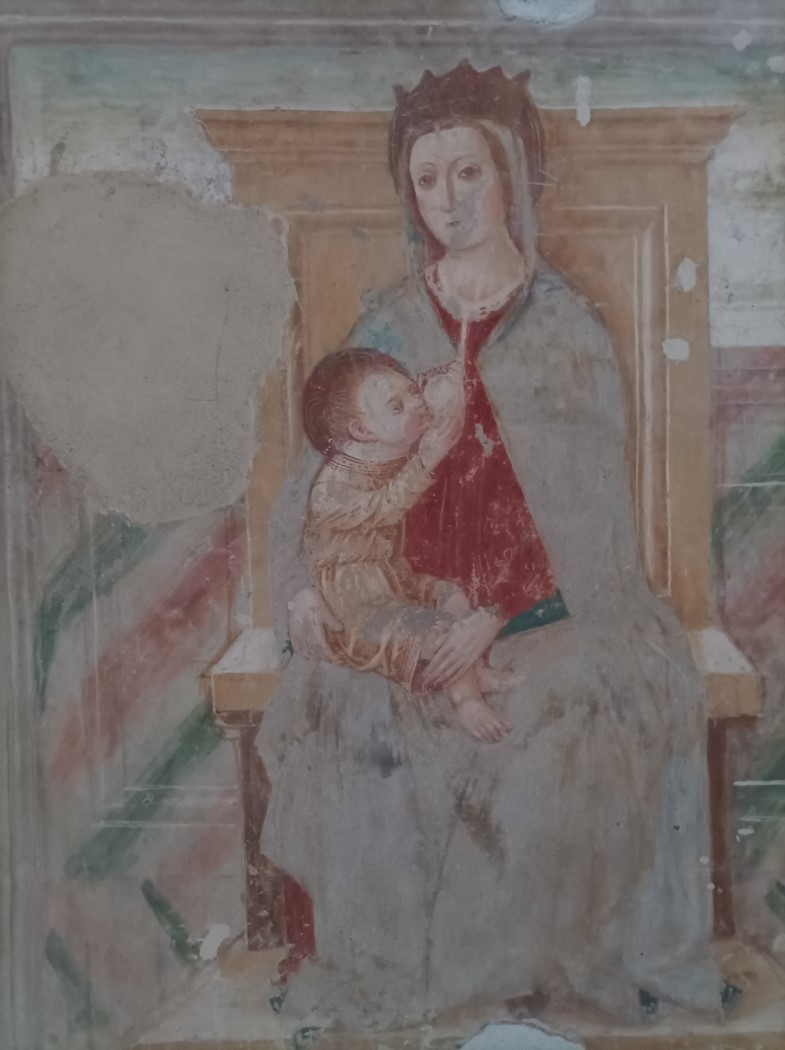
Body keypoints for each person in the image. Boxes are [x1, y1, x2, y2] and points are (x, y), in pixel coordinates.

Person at [258, 61, 724, 1029]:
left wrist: (493, 615)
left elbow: (592, 522)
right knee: (353, 702)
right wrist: (302, 588)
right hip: (404, 600)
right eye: (426, 179)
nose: (448, 200)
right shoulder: (389, 322)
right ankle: (405, 978)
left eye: (467, 172)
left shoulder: (564, 329)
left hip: (554, 608)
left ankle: (524, 971)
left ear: (510, 176)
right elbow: (317, 485)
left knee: (568, 707)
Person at [301, 346, 513, 742]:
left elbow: (441, 385)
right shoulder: (331, 487)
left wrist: (449, 379)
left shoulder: (389, 445)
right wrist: (426, 460)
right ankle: (466, 699)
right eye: (397, 407)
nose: (417, 404)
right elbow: (385, 507)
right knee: (435, 628)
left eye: (412, 391)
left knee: (455, 598)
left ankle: (477, 672)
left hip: (399, 581)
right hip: (360, 604)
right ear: (362, 431)